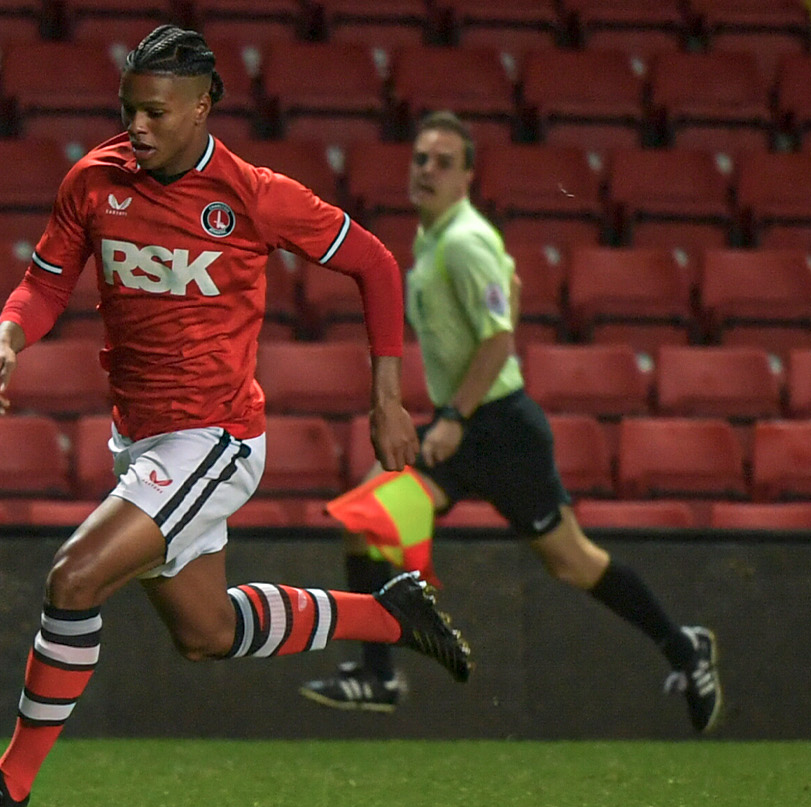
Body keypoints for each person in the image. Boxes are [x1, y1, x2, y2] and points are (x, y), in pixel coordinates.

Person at [0, 25, 473, 807]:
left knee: (73, 579)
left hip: (214, 439)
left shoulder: (252, 194)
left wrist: (387, 395)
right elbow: (44, 281)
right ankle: (390, 616)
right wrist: (7, 338)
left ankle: (9, 787)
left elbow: (376, 264)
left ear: (203, 106)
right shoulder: (94, 181)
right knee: (206, 634)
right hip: (142, 442)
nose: (137, 127)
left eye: (154, 112)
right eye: (128, 109)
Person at [298, 111, 725, 734]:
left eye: (443, 161)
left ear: (468, 174)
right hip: (477, 426)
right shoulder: (438, 240)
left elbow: (497, 342)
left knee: (571, 562)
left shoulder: (464, 241)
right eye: (420, 158)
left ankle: (686, 650)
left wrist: (452, 418)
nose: (427, 170)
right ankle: (377, 673)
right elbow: (508, 300)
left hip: (499, 429)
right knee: (368, 518)